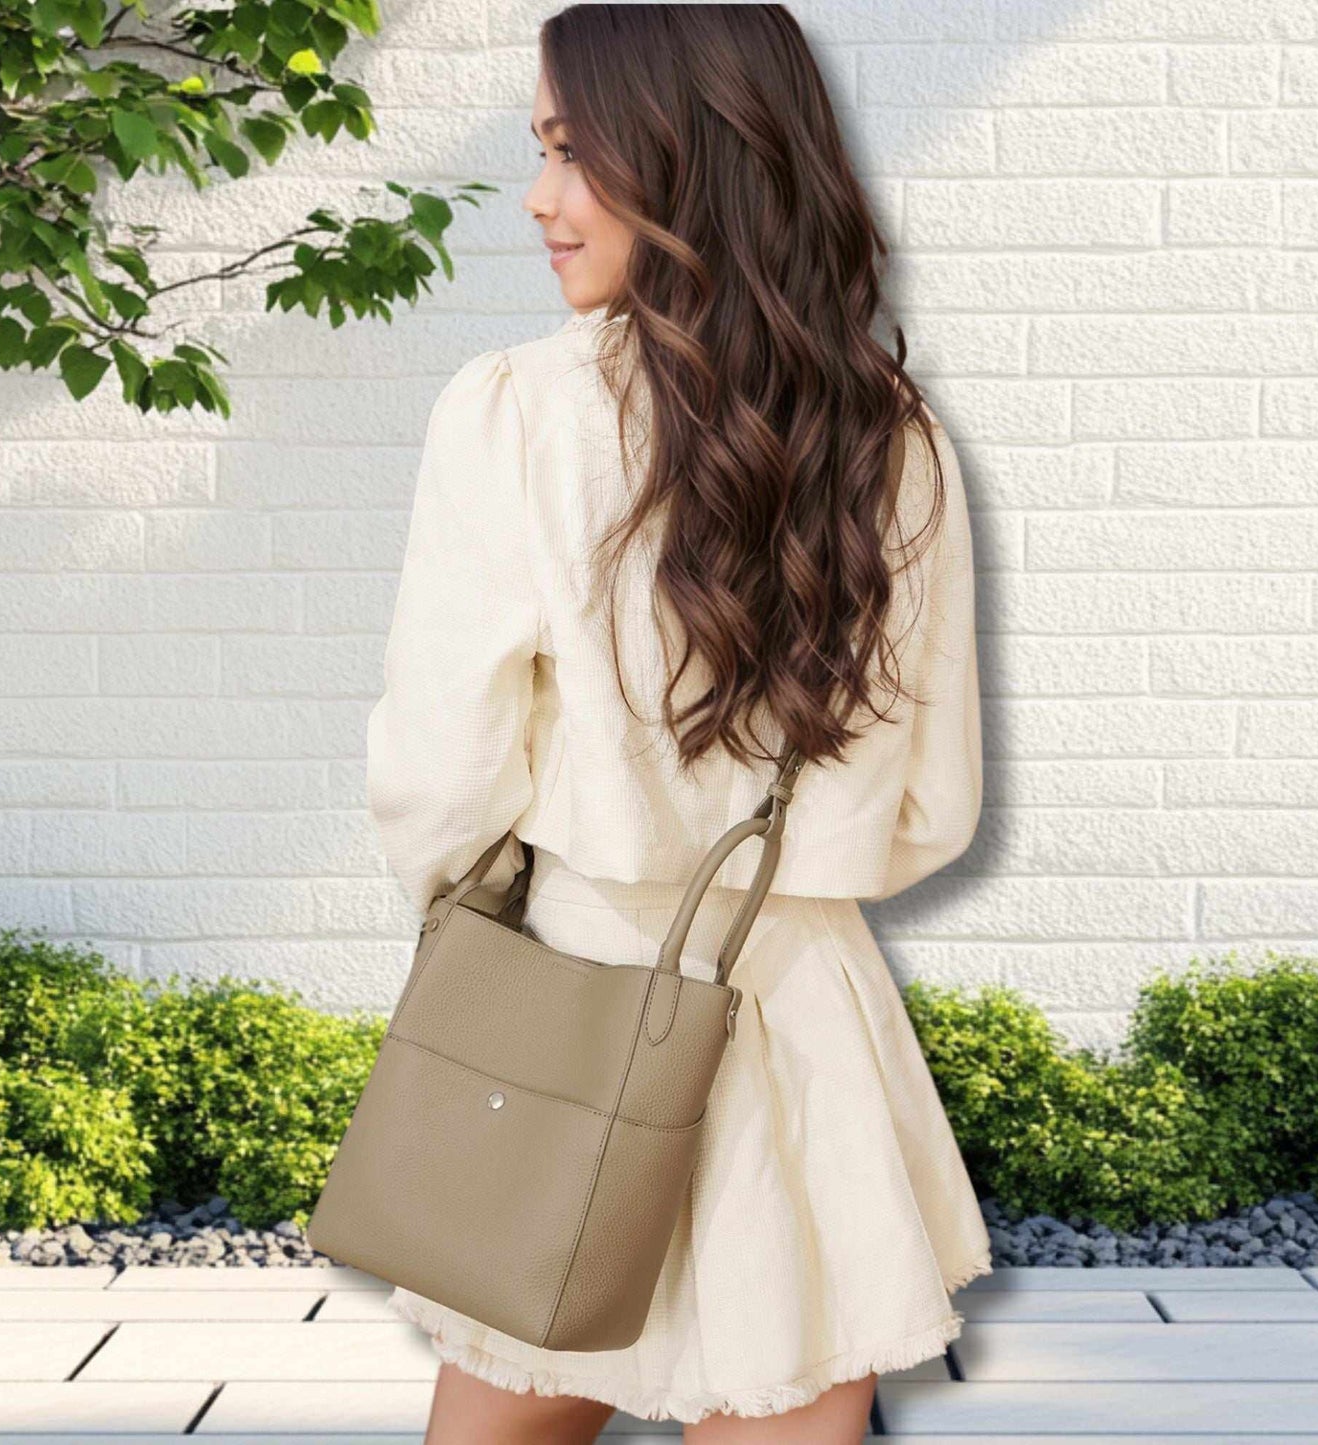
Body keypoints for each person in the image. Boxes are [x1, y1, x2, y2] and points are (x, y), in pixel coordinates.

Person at [364, 6, 992, 1440]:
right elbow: (929, 809)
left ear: (686, 160)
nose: (537, 198)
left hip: (569, 1014)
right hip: (805, 1021)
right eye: (541, 151)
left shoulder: (517, 414)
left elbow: (438, 771)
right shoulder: (892, 437)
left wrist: (481, 909)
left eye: (575, 154)